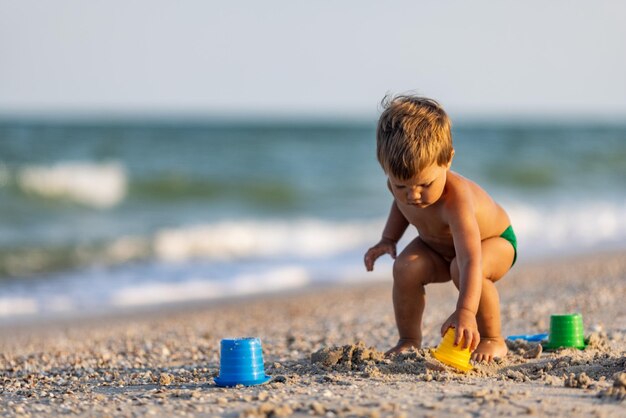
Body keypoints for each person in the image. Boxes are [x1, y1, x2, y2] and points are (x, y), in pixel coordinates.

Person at [364, 95, 517, 362]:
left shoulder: (456, 200)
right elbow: (400, 208)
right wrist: (388, 239)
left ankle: (494, 339)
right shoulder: (399, 186)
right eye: (401, 186)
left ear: (447, 160)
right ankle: (409, 339)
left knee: (463, 268)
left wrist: (465, 311)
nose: (412, 195)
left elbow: (470, 259)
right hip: (438, 247)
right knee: (405, 268)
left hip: (493, 243)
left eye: (424, 185)